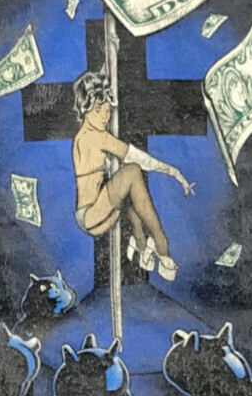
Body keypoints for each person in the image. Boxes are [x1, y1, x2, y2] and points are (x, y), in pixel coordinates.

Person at [70, 70, 194, 282]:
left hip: (97, 213)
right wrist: (174, 172)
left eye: (108, 111)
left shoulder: (84, 134)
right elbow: (140, 159)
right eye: (98, 110)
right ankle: (161, 244)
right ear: (85, 109)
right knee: (133, 171)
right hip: (92, 216)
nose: (104, 117)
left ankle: (140, 242)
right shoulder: (94, 137)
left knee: (127, 181)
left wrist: (109, 59)